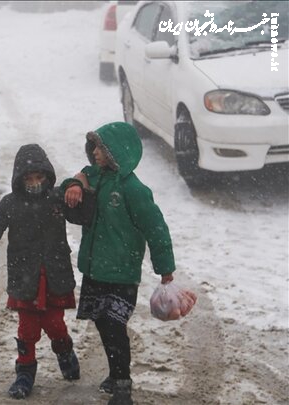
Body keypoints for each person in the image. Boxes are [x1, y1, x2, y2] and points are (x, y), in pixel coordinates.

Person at [63, 122, 176, 405]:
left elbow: (156, 228)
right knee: (102, 323)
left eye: (101, 147)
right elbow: (72, 181)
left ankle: (123, 385)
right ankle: (115, 374)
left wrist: (165, 268)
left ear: (118, 152)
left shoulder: (134, 189)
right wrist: (75, 184)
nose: (95, 153)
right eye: (95, 147)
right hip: (95, 269)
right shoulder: (95, 176)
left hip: (122, 273)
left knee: (114, 325)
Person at [0, 144, 95, 400]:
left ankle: (64, 350)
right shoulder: (11, 203)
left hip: (54, 274)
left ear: (47, 176)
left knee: (54, 324)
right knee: (27, 328)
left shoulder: (56, 199)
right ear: (19, 179)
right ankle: (25, 371)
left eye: (39, 177)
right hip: (25, 277)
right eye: (28, 179)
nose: (34, 183)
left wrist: (79, 189)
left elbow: (83, 215)